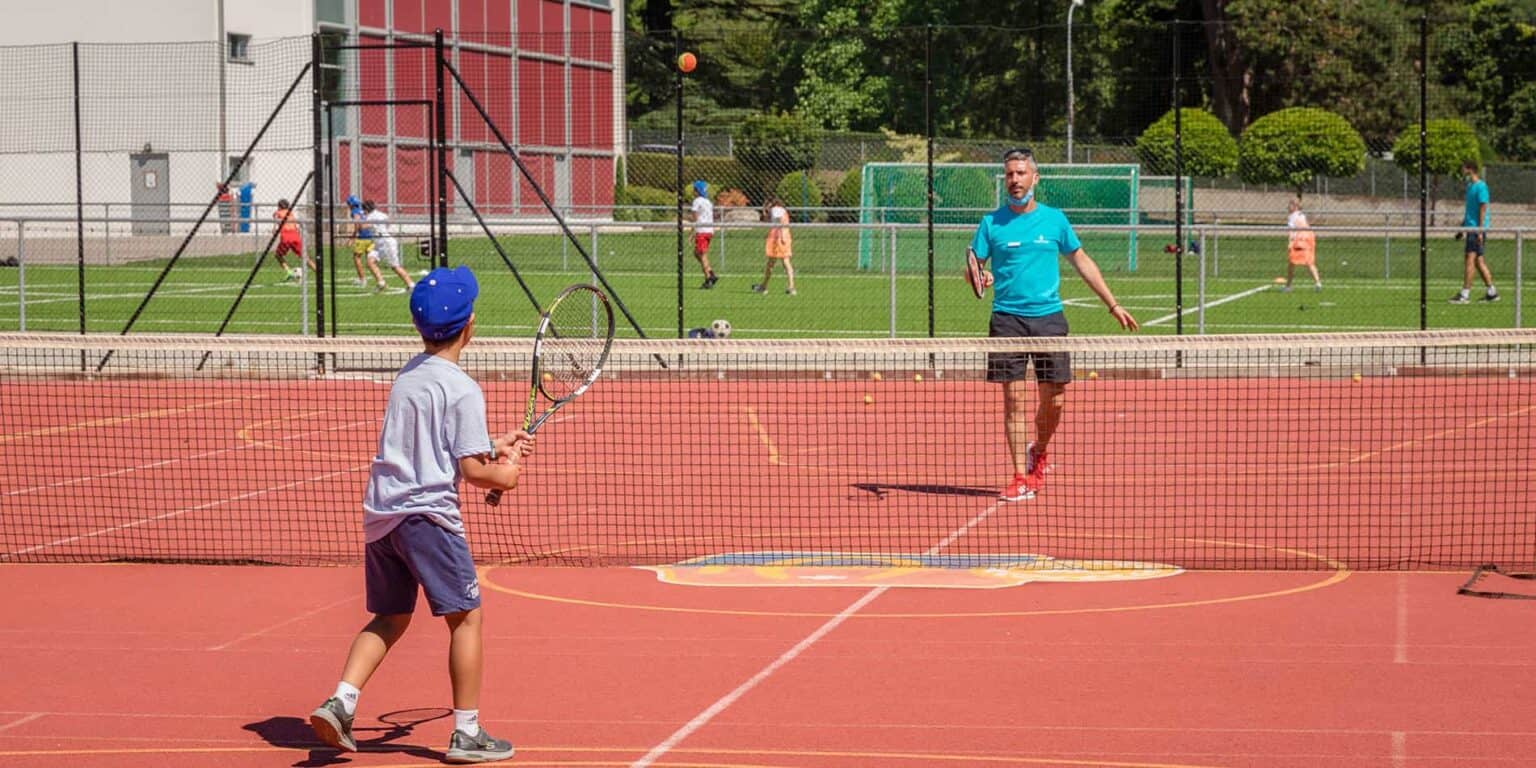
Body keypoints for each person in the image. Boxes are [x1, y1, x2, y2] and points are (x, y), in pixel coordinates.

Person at [309, 265, 534, 764]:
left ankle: (341, 702)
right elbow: (475, 473)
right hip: (427, 519)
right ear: (470, 325)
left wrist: (492, 445)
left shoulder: (409, 375)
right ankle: (467, 732)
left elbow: (441, 443)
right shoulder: (464, 388)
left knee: (389, 616)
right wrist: (507, 474)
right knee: (466, 620)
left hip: (382, 516)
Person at [970, 148, 1138, 502]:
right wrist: (980, 278)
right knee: (1013, 401)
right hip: (1007, 320)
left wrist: (1113, 304)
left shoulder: (1055, 220)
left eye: (1020, 174)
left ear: (1035, 177)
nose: (1014, 181)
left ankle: (1039, 449)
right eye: (1009, 175)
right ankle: (1019, 476)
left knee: (1056, 400)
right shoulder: (991, 223)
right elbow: (973, 267)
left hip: (1048, 318)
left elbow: (1082, 261)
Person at [1451, 160, 1498, 304]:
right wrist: (1462, 228)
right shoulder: (1470, 186)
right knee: (1479, 261)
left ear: (1470, 169)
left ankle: (1465, 294)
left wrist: (1479, 230)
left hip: (1476, 229)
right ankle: (1492, 292)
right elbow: (1469, 211)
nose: (1462, 171)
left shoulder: (1481, 186)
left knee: (1469, 260)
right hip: (1470, 227)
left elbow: (1483, 208)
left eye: (1463, 168)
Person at [363, 200, 415, 293]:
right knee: (370, 261)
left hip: (386, 243)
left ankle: (411, 284)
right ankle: (381, 283)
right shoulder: (380, 214)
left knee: (394, 266)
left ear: (367, 209)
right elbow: (388, 222)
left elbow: (363, 227)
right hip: (378, 244)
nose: (363, 212)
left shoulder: (370, 217)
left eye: (364, 210)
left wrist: (358, 218)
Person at [751, 196, 796, 296]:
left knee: (777, 263)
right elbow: (770, 221)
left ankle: (766, 287)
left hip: (779, 238)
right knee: (781, 262)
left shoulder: (776, 209)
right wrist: (765, 212)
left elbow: (779, 221)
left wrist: (781, 236)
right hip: (783, 236)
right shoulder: (779, 210)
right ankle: (789, 287)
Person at [1280, 197, 1321, 292]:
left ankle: (1288, 286)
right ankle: (1318, 283)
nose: (1288, 207)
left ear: (1295, 206)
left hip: (1300, 240)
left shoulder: (1292, 216)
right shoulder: (1301, 215)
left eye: (1290, 205)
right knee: (1309, 262)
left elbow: (1293, 232)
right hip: (1309, 238)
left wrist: (1291, 243)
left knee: (1292, 263)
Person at [271, 199, 317, 281]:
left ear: (279, 207)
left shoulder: (277, 213)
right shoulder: (291, 214)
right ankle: (318, 272)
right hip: (296, 236)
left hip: (286, 236)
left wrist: (274, 229)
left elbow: (275, 224)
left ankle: (289, 271)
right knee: (305, 257)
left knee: (278, 255)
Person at [686, 180, 719, 288]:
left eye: (694, 190)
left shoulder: (697, 201)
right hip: (709, 230)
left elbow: (695, 218)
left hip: (702, 231)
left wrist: (691, 233)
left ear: (697, 191)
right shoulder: (708, 201)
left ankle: (708, 279)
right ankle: (711, 273)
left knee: (702, 254)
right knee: (697, 253)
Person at [347, 195, 373, 288]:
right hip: (370, 235)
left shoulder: (354, 211)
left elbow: (357, 224)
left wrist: (353, 237)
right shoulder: (363, 211)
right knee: (370, 259)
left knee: (356, 257)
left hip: (362, 236)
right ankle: (378, 279)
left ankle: (362, 279)